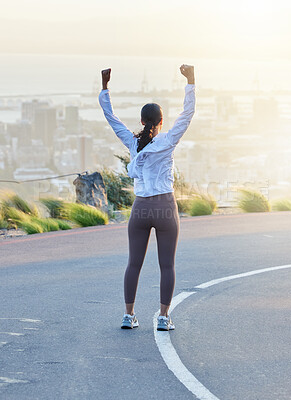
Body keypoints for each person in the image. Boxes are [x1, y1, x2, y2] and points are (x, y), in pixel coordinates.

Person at [99, 65, 195, 331]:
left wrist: (105, 87)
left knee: (134, 264)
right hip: (165, 207)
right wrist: (190, 81)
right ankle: (164, 318)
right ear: (160, 122)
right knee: (167, 266)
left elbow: (111, 118)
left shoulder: (132, 142)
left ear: (142, 122)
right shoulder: (167, 141)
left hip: (140, 209)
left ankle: (128, 316)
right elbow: (187, 115)